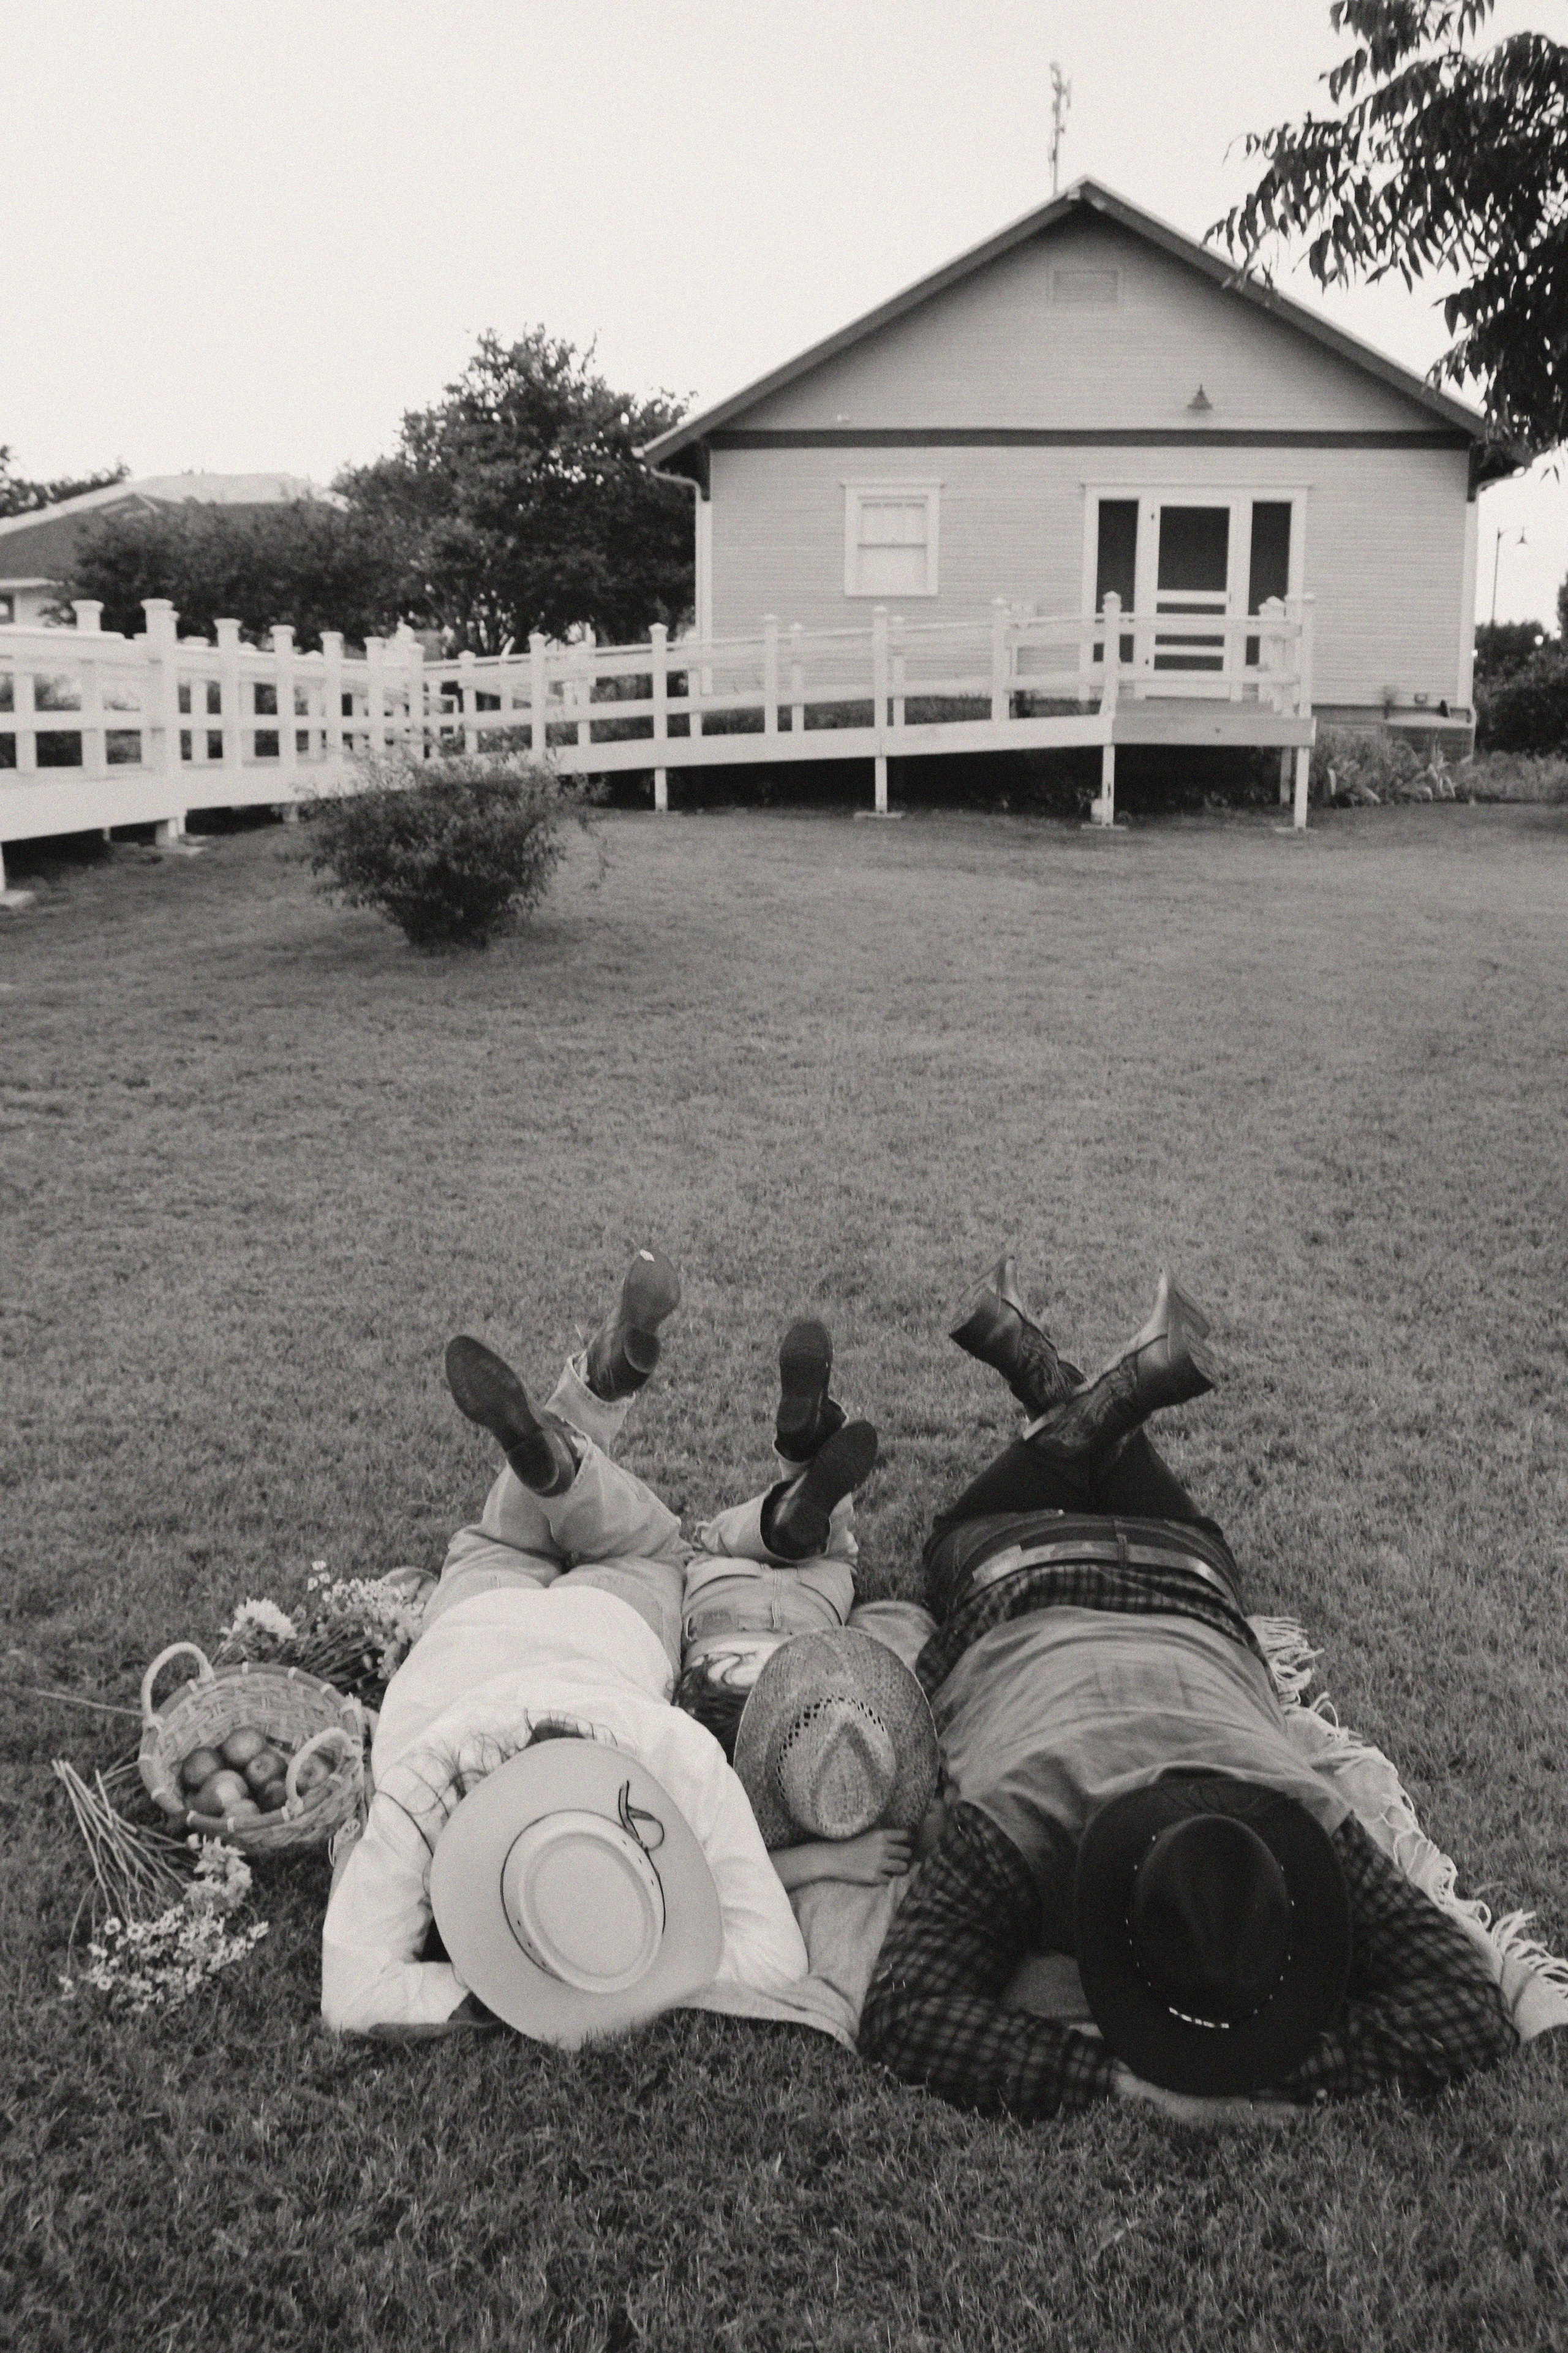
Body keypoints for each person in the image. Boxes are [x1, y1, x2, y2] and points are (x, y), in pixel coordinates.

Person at [858, 1258, 1518, 2117]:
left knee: (1072, 1480)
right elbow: (908, 2013)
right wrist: (1159, 2089)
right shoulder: (1032, 1816)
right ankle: (1083, 1399)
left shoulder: (1294, 1811)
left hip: (1187, 1576)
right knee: (959, 1531)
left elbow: (910, 2006)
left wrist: (1150, 2090)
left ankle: (1084, 1396)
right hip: (1019, 1576)